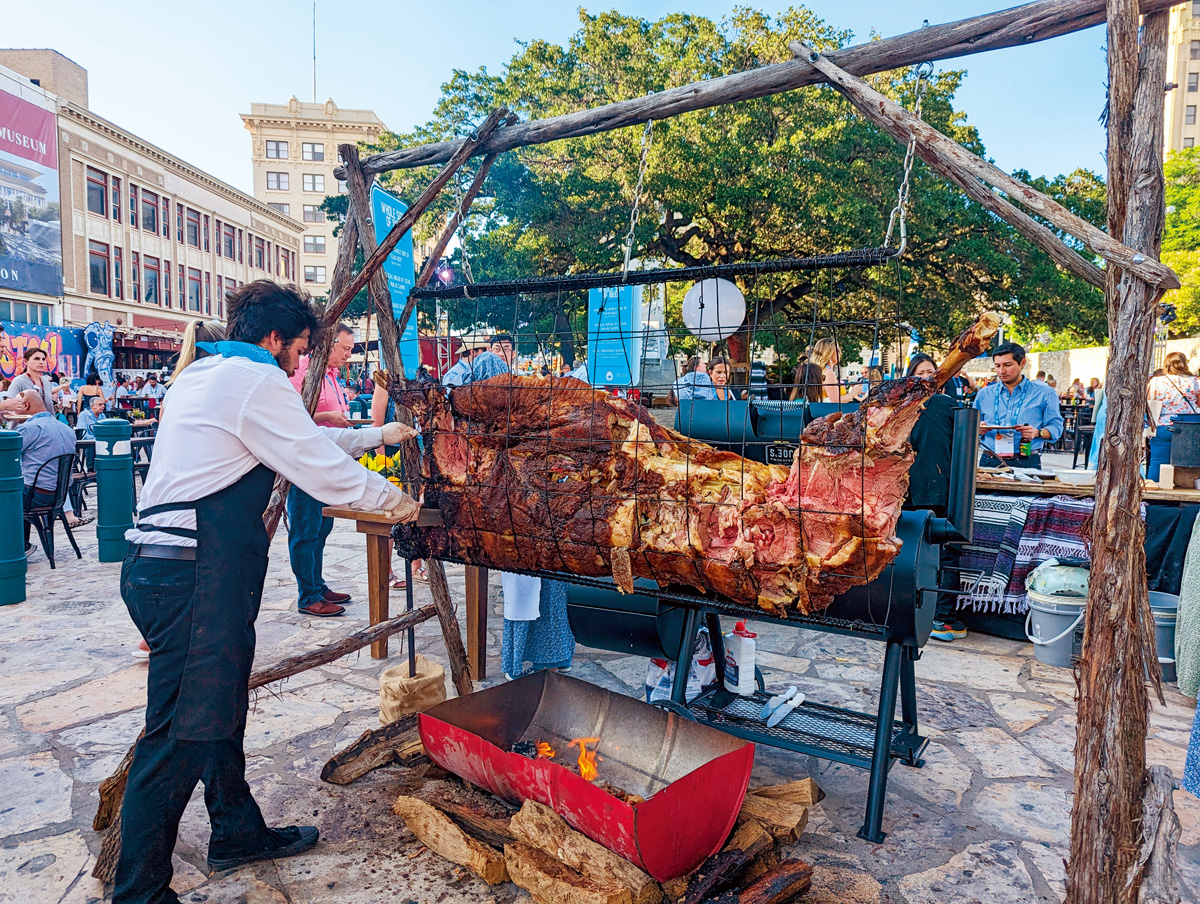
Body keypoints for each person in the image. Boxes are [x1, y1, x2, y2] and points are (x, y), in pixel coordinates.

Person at [114, 280, 420, 904]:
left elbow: (301, 441)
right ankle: (139, 893)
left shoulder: (209, 374)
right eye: (301, 350)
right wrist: (401, 505)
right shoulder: (255, 382)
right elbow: (318, 467)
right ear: (274, 339)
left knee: (214, 714)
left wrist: (376, 436)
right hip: (193, 576)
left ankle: (236, 832)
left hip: (168, 570)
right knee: (179, 734)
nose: (301, 362)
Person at [286, 322, 358, 617]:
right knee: (305, 528)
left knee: (323, 526)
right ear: (329, 344)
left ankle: (317, 583)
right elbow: (292, 414)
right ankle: (308, 595)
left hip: (329, 461)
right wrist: (328, 415)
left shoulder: (333, 376)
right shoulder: (301, 370)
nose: (348, 356)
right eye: (345, 349)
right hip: (306, 463)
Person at [974, 341, 1063, 469]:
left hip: (1026, 459)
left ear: (1022, 363)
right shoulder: (984, 394)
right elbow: (970, 428)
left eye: (1007, 365)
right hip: (990, 459)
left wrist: (1037, 432)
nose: (1001, 371)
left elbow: (1056, 427)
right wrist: (978, 429)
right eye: (997, 366)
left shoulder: (1045, 393)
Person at [1146, 352, 1200, 480]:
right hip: (1189, 429)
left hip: (1162, 425)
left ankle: (1153, 497)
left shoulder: (1156, 381)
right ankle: (1186, 492)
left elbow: (1148, 402)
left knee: (1157, 462)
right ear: (1184, 363)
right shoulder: (1194, 382)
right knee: (1189, 465)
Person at [0, 346, 56, 414]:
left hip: (45, 423)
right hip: (24, 423)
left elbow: (49, 407)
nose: (41, 362)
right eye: (36, 359)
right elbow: (9, 404)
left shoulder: (46, 382)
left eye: (43, 359)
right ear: (26, 362)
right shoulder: (19, 381)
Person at [809, 338, 864, 404]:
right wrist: (852, 394)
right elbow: (835, 401)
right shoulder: (828, 373)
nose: (840, 353)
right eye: (837, 350)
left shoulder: (821, 371)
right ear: (829, 352)